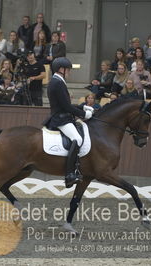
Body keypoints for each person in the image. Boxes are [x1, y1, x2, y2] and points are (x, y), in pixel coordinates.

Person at [44, 57, 92, 188]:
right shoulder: (58, 83)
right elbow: (66, 107)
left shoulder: (57, 81)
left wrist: (82, 107)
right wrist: (84, 114)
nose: (69, 72)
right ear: (61, 69)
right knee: (77, 139)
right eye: (68, 70)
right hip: (61, 118)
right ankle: (70, 174)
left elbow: (66, 104)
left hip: (63, 115)